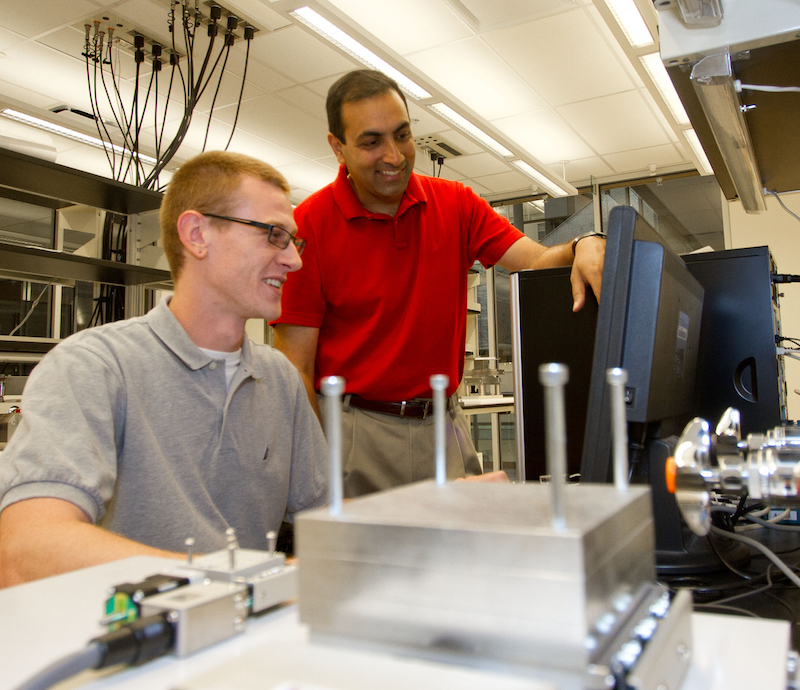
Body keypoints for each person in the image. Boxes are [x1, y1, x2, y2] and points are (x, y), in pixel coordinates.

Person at [0, 151, 328, 587]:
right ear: (197, 234)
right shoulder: (94, 366)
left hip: (241, 633)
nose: (294, 260)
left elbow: (327, 522)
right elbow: (24, 549)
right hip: (128, 641)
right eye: (273, 235)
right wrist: (240, 581)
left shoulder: (280, 379)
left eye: (293, 240)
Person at [273, 69, 606, 498]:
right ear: (338, 148)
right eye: (371, 142)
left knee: (461, 558)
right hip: (356, 435)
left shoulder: (456, 204)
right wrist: (316, 467)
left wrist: (584, 244)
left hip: (444, 425)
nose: (394, 156)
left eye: (402, 135)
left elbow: (537, 261)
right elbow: (295, 367)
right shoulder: (309, 226)